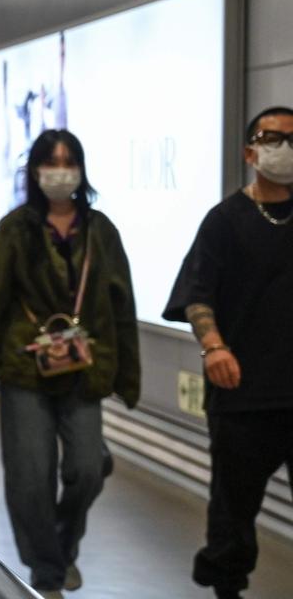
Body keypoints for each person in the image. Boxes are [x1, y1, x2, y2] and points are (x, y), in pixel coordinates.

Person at [0, 129, 139, 598]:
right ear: (36, 170)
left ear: (80, 169)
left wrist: (127, 375)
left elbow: (122, 308)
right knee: (30, 479)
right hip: (26, 371)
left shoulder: (101, 231)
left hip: (84, 370)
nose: (60, 171)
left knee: (85, 469)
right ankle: (48, 574)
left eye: (69, 161)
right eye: (50, 161)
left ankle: (62, 545)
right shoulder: (15, 228)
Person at [164, 106, 293, 599]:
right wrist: (214, 346)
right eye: (272, 138)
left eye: (291, 139)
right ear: (250, 151)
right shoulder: (225, 220)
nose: (283, 148)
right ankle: (227, 589)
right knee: (232, 516)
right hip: (243, 395)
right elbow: (198, 294)